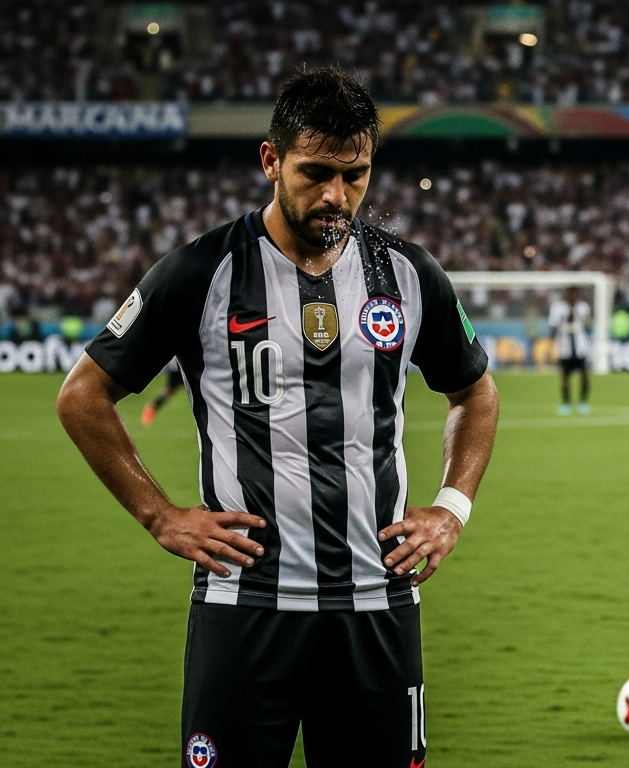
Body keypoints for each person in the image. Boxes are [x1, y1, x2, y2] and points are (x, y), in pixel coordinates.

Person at [55, 67, 500, 767]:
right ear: (271, 161)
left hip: (376, 602)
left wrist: (451, 508)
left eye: (354, 175)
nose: (335, 195)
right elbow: (82, 394)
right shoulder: (201, 273)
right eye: (314, 172)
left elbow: (476, 390)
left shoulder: (409, 275)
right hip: (246, 605)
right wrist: (160, 515)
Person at [550, 286, 591, 415]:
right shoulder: (557, 308)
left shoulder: (583, 307)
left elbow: (587, 325)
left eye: (575, 293)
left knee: (584, 376)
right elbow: (553, 327)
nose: (573, 296)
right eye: (571, 293)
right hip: (565, 347)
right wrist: (553, 343)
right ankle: (566, 403)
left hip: (580, 347)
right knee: (565, 378)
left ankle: (583, 402)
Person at [141, 357, 186, 427]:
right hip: (180, 368)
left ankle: (152, 407)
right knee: (169, 390)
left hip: (180, 367)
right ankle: (152, 407)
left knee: (169, 390)